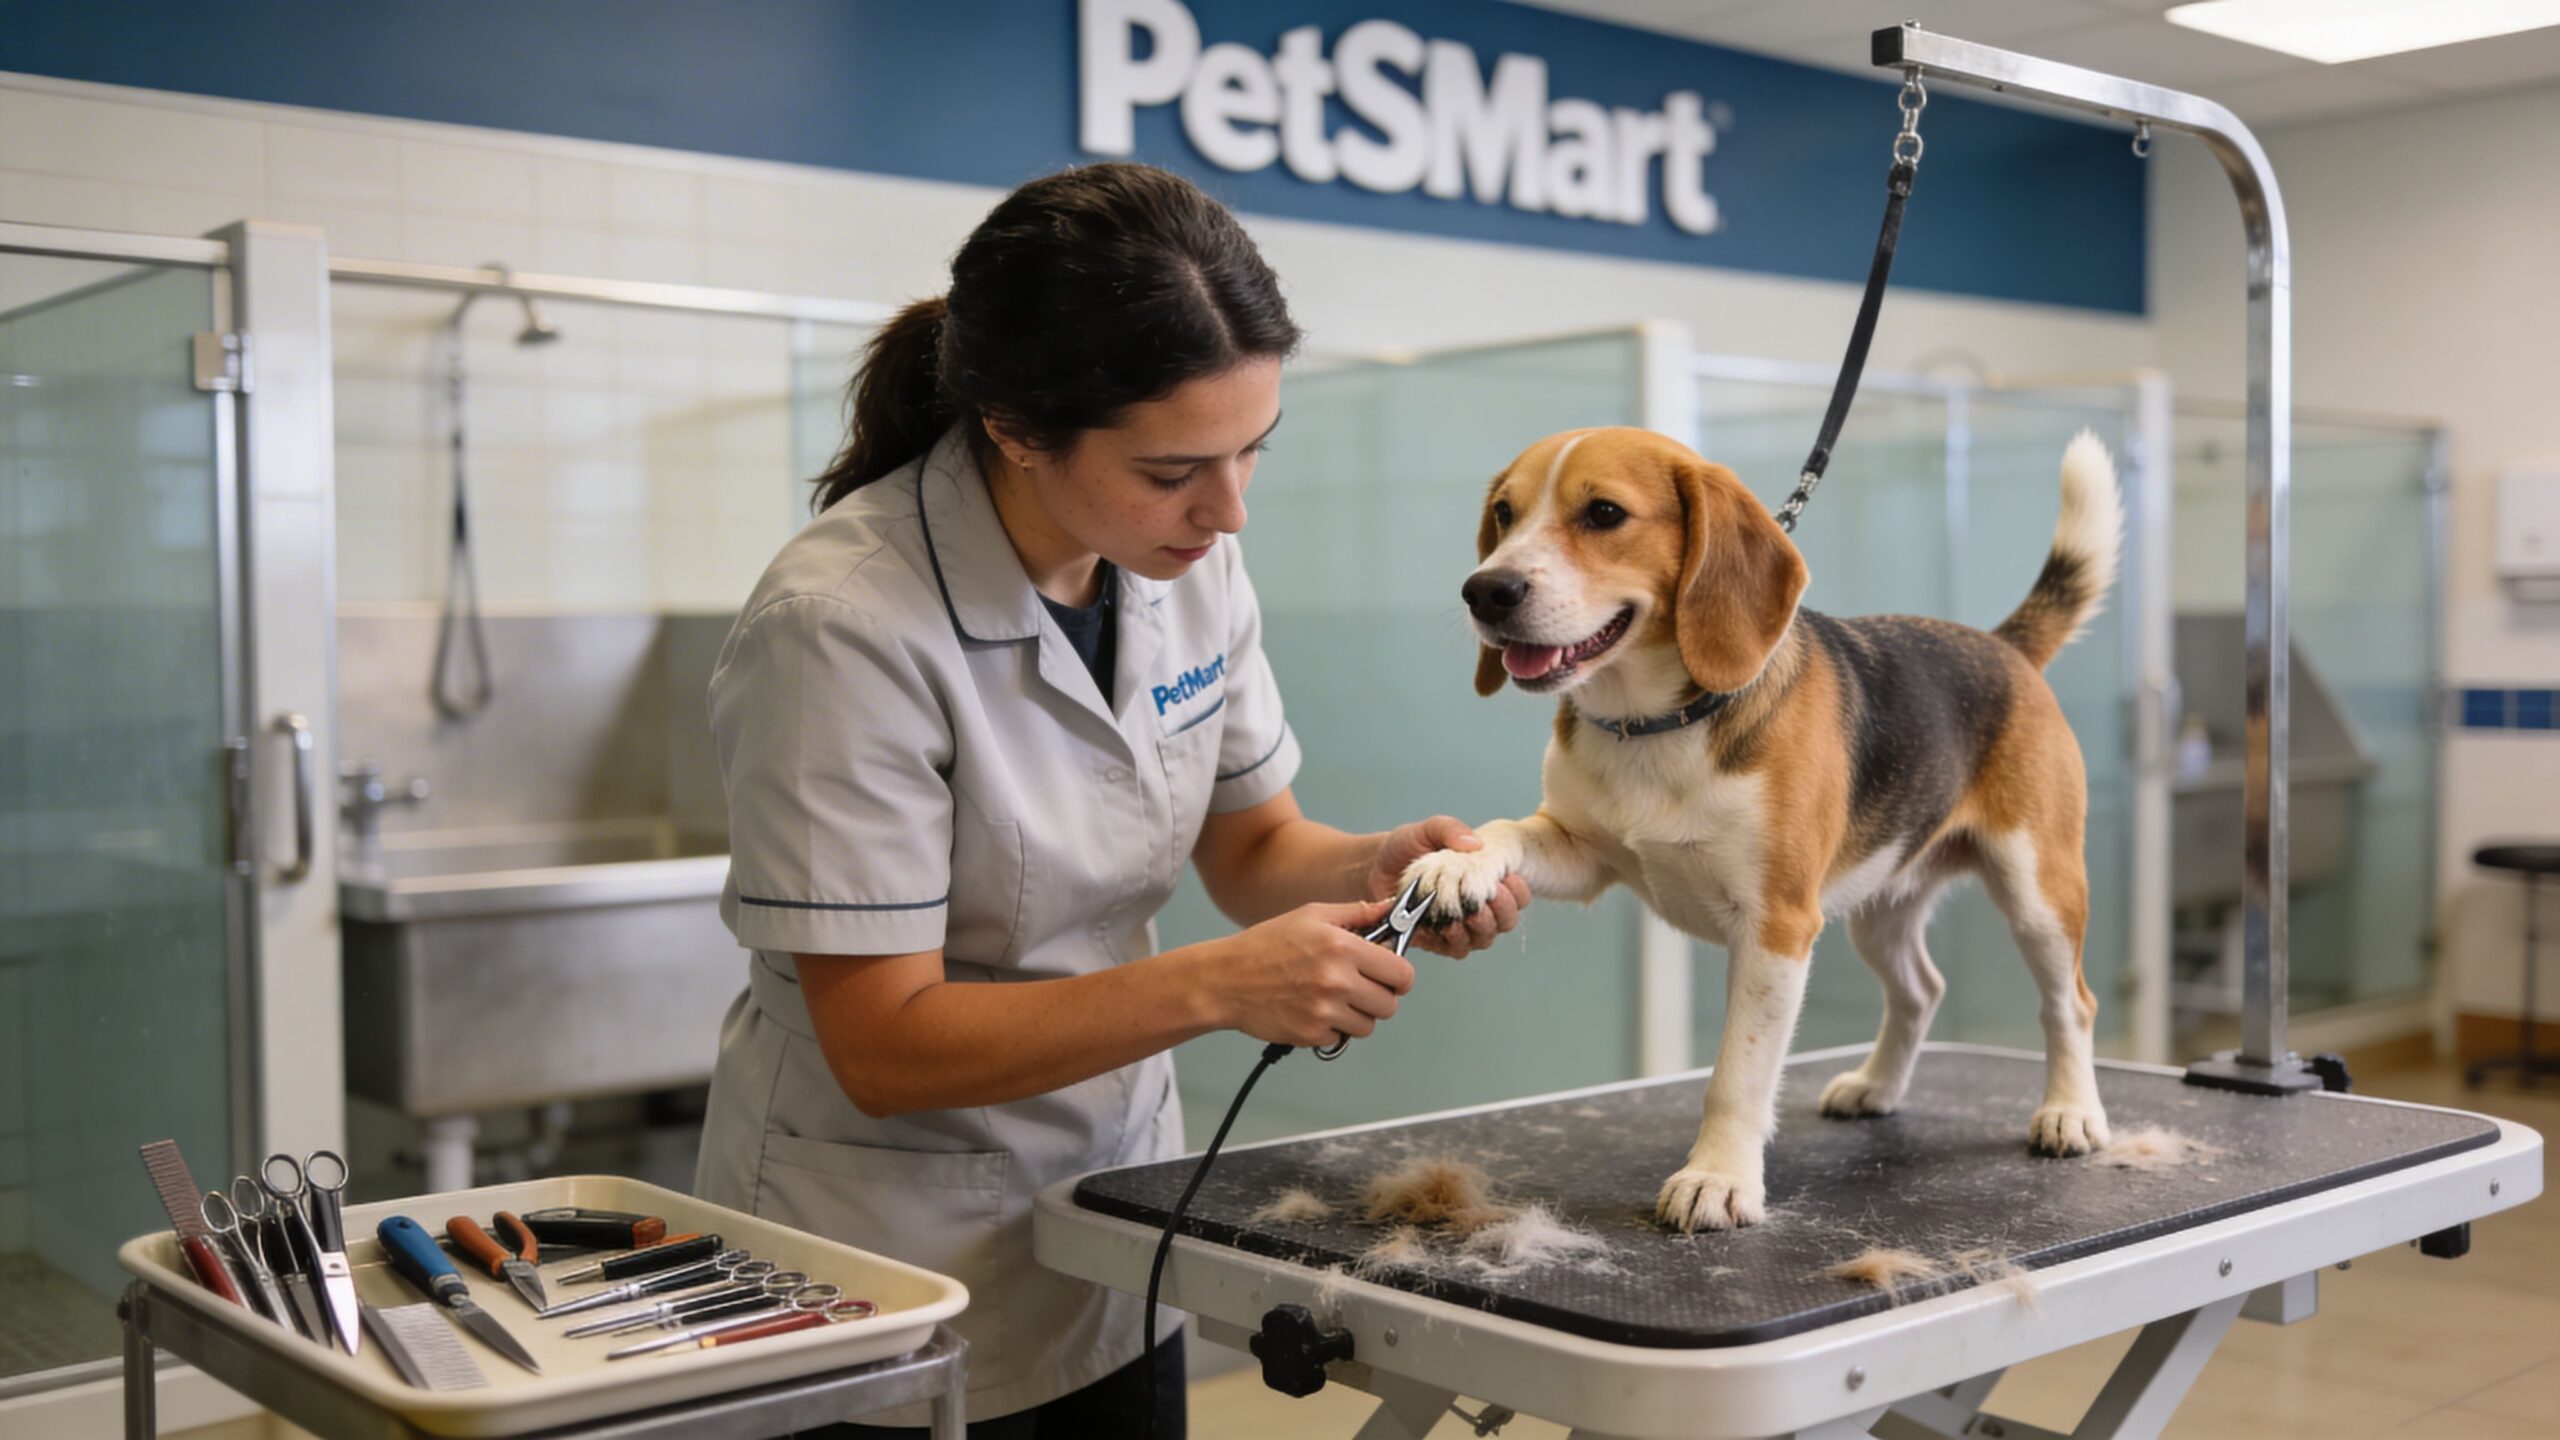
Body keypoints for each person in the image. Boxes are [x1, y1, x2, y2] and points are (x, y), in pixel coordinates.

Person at [694, 161, 1530, 1437]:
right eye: (1173, 469)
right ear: (1015, 426)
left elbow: (1253, 844)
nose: (1228, 506)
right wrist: (1215, 986)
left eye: (1254, 450)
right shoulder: (842, 625)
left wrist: (1378, 866)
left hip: (1116, 1217)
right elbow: (881, 1044)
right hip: (882, 1264)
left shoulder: (1187, 564)